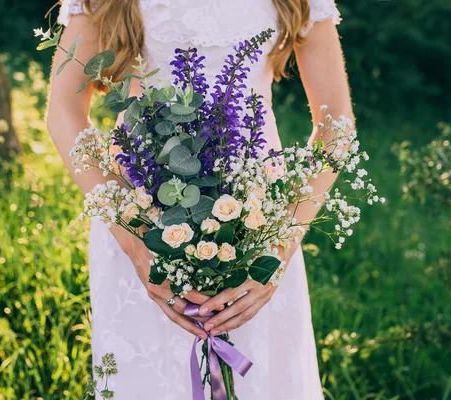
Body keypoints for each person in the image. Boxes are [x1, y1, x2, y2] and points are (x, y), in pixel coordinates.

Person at [46, 0, 351, 398]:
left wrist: (278, 245)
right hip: (142, 219)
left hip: (259, 223)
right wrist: (136, 239)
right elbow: (64, 111)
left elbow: (336, 124)